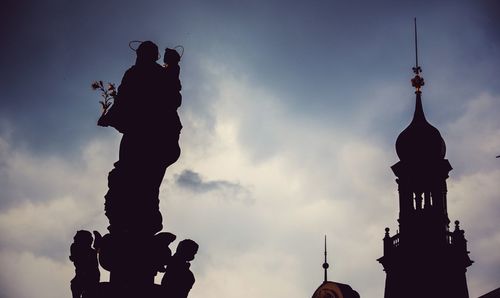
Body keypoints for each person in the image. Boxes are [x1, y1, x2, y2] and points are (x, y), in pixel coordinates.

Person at [98, 41, 182, 234]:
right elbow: (123, 100)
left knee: (144, 177)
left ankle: (141, 215)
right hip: (144, 133)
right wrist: (110, 116)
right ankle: (136, 215)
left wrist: (173, 68)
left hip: (150, 133)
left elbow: (171, 98)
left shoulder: (147, 74)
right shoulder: (138, 74)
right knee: (133, 174)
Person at [69, 230, 100, 298]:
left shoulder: (91, 252)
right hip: (82, 275)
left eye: (76, 239)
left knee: (78, 287)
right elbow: (74, 257)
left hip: (90, 277)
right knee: (75, 286)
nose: (74, 240)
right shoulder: (76, 247)